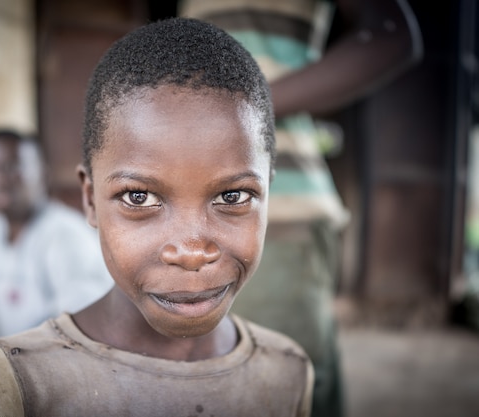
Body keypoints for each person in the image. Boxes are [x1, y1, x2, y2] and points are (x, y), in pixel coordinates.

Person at [0, 18, 314, 416]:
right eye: (139, 197)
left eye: (233, 195)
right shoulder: (14, 382)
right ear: (90, 200)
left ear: (268, 194)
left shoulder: (287, 371)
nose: (190, 252)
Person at [179, 1, 423, 416]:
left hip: (277, 220)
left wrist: (245, 106)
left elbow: (391, 33)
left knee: (277, 389)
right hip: (200, 213)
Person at [0, 129, 114, 341]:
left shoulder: (67, 235)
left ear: (44, 174)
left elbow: (73, 332)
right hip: (1, 360)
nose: (0, 179)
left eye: (13, 166)